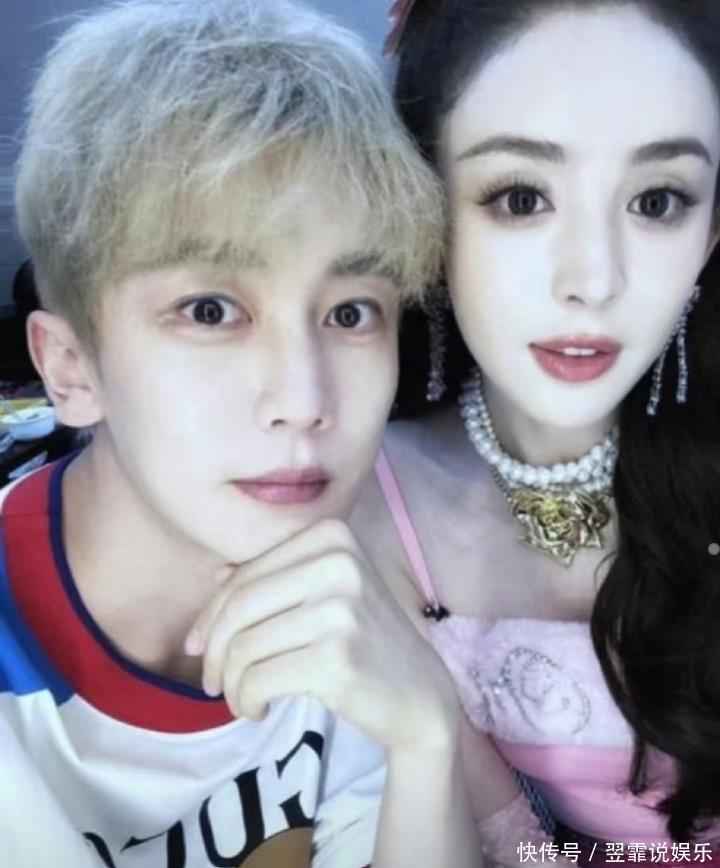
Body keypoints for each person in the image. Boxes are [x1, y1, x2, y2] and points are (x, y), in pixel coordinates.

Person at [0, 1, 482, 866]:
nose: (303, 400)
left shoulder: (357, 588)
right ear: (69, 367)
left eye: (350, 312)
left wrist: (426, 738)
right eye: (210, 310)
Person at [350, 0, 720, 864]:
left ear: (711, 233)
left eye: (657, 200)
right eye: (521, 198)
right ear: (425, 211)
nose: (593, 279)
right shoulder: (375, 502)